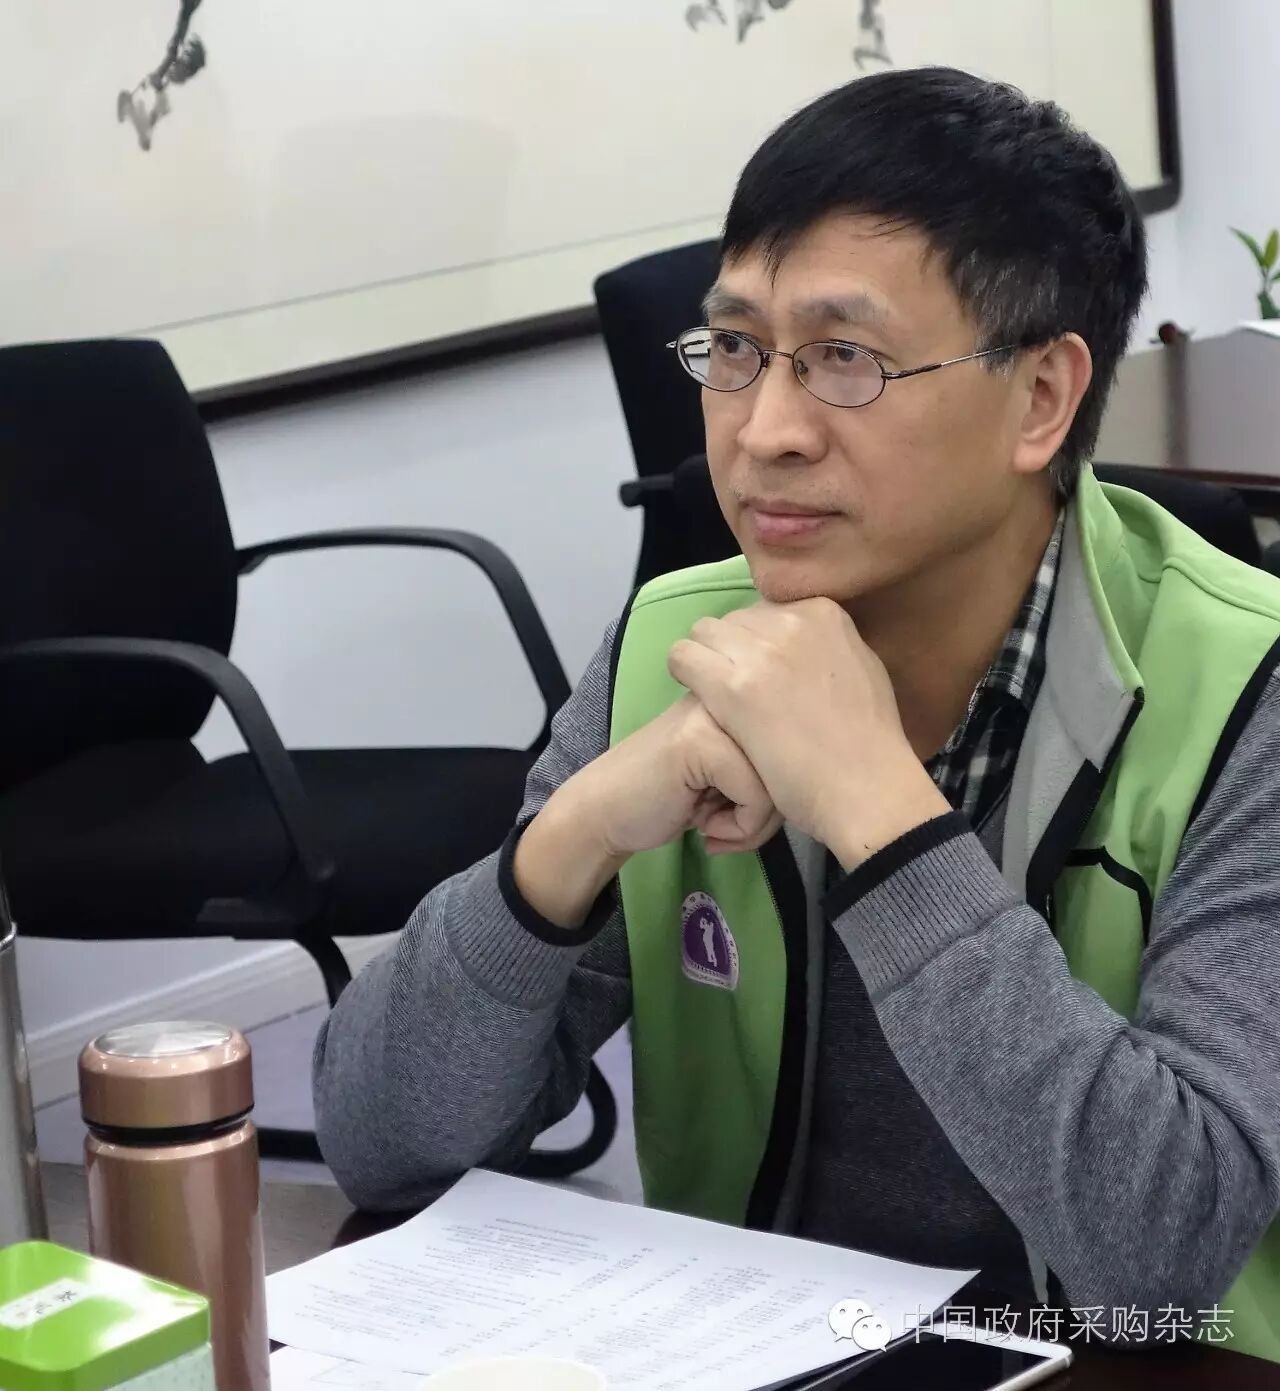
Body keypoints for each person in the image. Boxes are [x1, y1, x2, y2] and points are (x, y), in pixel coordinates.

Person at [313, 68, 1280, 1360]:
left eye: (845, 360)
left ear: (1041, 398)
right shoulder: (677, 647)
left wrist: (878, 807)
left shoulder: (1246, 694)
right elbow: (379, 1136)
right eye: (735, 350)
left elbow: (1160, 1248)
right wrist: (578, 833)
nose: (764, 430)